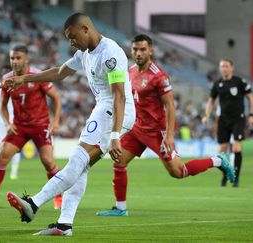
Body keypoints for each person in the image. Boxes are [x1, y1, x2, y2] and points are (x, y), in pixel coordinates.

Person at [3, 13, 136, 236]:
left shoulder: (110, 54)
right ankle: (64, 225)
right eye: (68, 39)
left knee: (77, 158)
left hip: (114, 109)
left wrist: (114, 135)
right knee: (81, 167)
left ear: (85, 29)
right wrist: (24, 78)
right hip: (105, 108)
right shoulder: (84, 53)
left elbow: (119, 96)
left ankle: (33, 204)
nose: (71, 43)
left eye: (72, 37)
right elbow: (59, 72)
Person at [96, 34, 236, 217]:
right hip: (137, 129)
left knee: (179, 172)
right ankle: (120, 208)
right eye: (135, 49)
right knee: (119, 161)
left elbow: (170, 106)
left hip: (157, 133)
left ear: (151, 51)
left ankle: (218, 161)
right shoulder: (129, 71)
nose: (138, 53)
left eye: (143, 49)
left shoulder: (158, 76)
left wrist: (169, 135)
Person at [0, 44, 63, 209]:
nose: (15, 61)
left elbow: (56, 98)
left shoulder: (38, 76)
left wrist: (56, 121)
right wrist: (7, 123)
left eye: (18, 58)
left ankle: (59, 199)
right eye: (12, 58)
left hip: (40, 125)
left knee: (47, 161)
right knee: (2, 155)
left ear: (26, 59)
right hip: (20, 127)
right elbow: (2, 106)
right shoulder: (7, 80)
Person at [202, 58, 253, 187]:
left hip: (238, 118)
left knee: (237, 147)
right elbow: (211, 100)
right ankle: (226, 175)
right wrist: (207, 115)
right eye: (221, 66)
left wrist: (252, 114)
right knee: (221, 150)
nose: (223, 69)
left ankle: (235, 178)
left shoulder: (239, 82)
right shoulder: (217, 84)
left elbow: (250, 97)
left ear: (232, 67)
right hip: (223, 120)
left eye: (226, 66)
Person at [0, 74, 21, 180]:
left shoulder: (18, 85)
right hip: (1, 120)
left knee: (15, 146)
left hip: (15, 119)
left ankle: (14, 172)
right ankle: (1, 169)